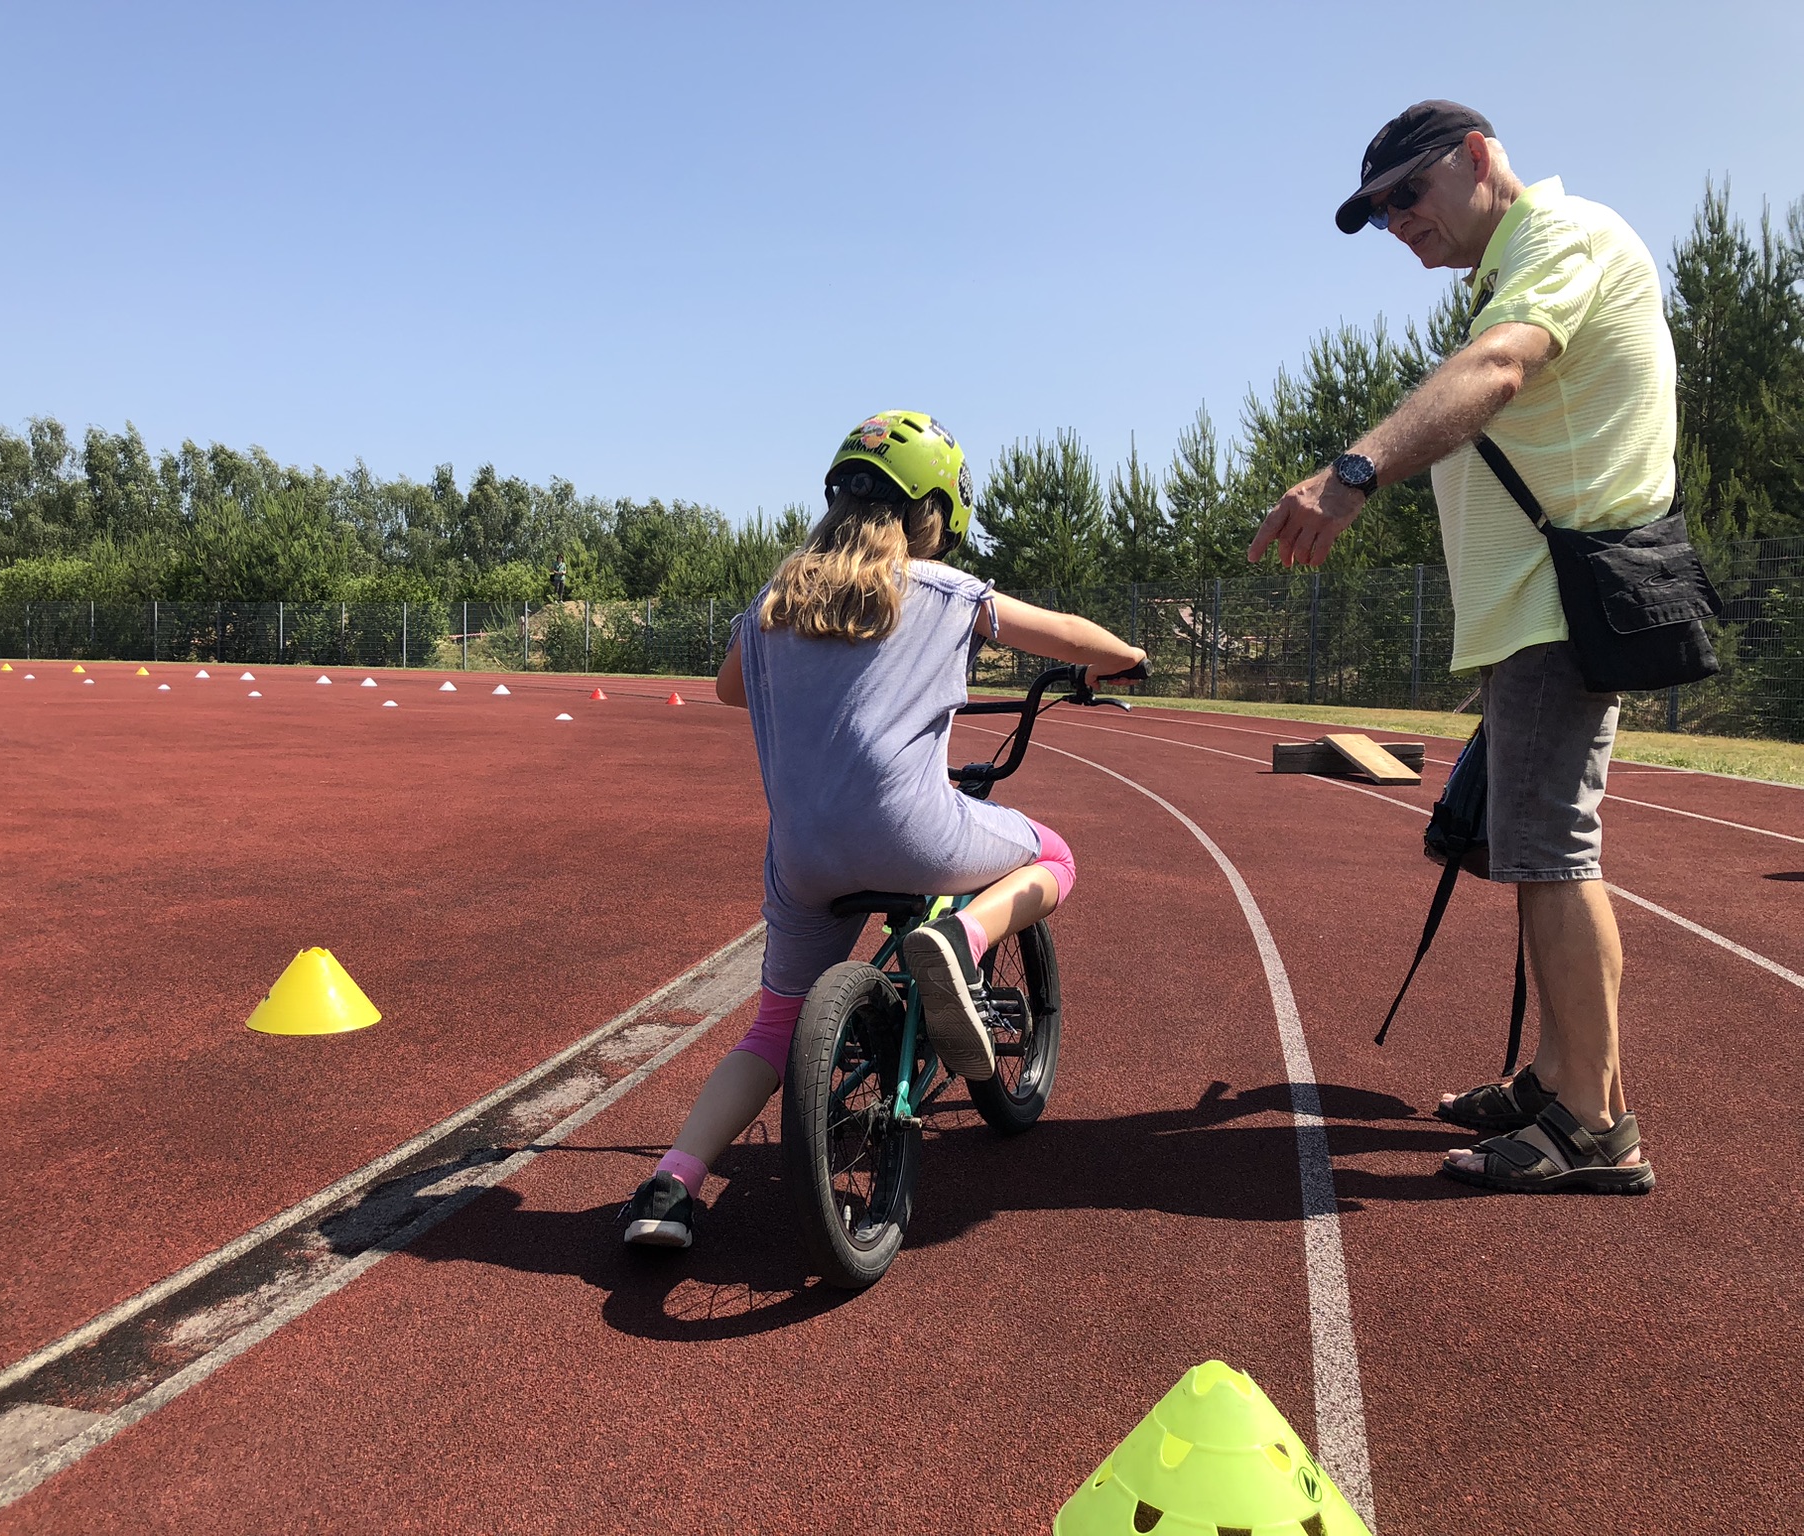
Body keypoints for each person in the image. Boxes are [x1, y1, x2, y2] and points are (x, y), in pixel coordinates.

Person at [1249, 101, 1668, 1195]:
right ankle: (1567, 1081)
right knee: (1540, 853)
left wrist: (1351, 476)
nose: (1395, 225)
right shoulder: (1512, 264)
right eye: (1376, 214)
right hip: (1534, 613)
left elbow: (1497, 370)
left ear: (1476, 159)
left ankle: (1588, 1124)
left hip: (1554, 609)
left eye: (1404, 196)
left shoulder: (1556, 243)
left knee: (1551, 856)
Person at [622, 411, 1147, 1248]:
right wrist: (1124, 659)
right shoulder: (945, 591)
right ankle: (965, 939)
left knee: (770, 1027)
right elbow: (1078, 638)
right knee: (1055, 854)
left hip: (802, 858)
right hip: (914, 834)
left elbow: (727, 690)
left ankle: (669, 1187)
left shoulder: (773, 601)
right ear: (933, 511)